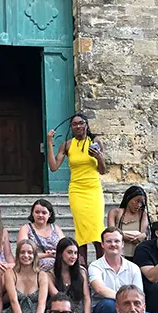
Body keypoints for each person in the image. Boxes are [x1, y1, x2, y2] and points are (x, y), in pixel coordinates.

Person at [47, 113, 106, 265]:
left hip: (93, 190)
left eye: (81, 123)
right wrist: (49, 142)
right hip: (77, 191)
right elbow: (53, 167)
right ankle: (82, 267)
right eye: (74, 124)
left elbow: (103, 170)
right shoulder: (67, 145)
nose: (78, 126)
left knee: (97, 229)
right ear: (71, 127)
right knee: (81, 231)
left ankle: (101, 266)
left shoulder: (95, 142)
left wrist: (99, 157)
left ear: (86, 125)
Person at [89, 227, 158, 313]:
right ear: (102, 245)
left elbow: (139, 295)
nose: (113, 244)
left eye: (117, 241)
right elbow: (100, 289)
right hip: (103, 310)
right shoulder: (95, 266)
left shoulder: (133, 268)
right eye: (108, 241)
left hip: (130, 308)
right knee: (109, 306)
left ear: (122, 244)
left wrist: (133, 308)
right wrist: (123, 302)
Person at [2, 240, 49, 313]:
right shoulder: (10, 273)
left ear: (35, 255)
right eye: (22, 252)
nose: (26, 256)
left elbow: (42, 303)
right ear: (18, 254)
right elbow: (13, 301)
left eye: (30, 252)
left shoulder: (41, 275)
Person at [49, 237, 91, 313]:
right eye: (69, 252)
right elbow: (59, 299)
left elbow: (86, 297)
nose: (73, 256)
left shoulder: (81, 272)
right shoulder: (50, 275)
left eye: (75, 253)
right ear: (60, 253)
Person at [17, 199, 64, 272]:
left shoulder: (56, 228)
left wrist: (56, 253)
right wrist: (47, 255)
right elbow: (22, 252)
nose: (40, 215)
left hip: (58, 261)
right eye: (37, 212)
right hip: (35, 263)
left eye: (44, 213)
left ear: (50, 214)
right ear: (32, 213)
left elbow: (65, 247)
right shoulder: (26, 229)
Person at [107, 186, 151, 261]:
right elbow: (110, 232)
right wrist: (122, 236)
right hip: (118, 254)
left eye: (141, 203)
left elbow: (143, 233)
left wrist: (142, 236)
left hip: (136, 254)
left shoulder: (142, 214)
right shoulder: (115, 213)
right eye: (137, 201)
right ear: (128, 198)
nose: (139, 205)